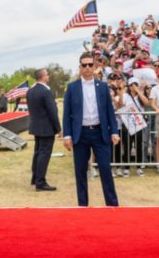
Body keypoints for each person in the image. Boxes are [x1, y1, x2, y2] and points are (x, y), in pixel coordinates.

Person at [63, 52, 119, 207]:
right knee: (80, 173)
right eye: (84, 65)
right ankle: (83, 206)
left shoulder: (102, 87)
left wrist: (114, 131)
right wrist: (67, 135)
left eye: (90, 65)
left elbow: (109, 111)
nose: (87, 68)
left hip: (100, 133)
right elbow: (67, 113)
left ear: (95, 67)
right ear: (80, 67)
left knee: (105, 170)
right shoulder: (72, 87)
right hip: (80, 135)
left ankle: (112, 205)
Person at [27, 69, 61, 191]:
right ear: (42, 77)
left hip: (36, 125)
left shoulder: (30, 91)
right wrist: (58, 129)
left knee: (37, 152)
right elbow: (52, 112)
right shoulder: (46, 91)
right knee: (44, 154)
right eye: (47, 74)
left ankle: (35, 177)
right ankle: (40, 182)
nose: (48, 76)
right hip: (46, 127)